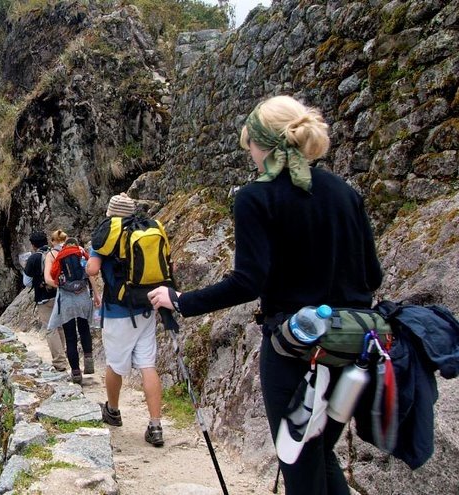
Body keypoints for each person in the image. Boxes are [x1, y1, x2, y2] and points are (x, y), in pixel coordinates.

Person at [148, 95, 383, 493]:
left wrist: (182, 301)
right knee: (318, 453)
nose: (250, 156)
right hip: (350, 347)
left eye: (250, 146)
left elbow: (248, 282)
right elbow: (372, 275)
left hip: (295, 350)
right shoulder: (344, 192)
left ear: (264, 145)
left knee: (300, 461)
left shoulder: (256, 197)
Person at [86, 193, 166, 447]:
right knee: (147, 365)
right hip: (146, 307)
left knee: (115, 365)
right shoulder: (146, 230)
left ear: (110, 213)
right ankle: (155, 425)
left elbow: (92, 269)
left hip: (118, 311)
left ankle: (113, 410)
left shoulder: (107, 235)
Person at [44, 230, 100, 384]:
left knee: (70, 336)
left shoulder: (53, 255)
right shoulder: (80, 251)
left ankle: (75, 372)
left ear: (53, 241)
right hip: (83, 296)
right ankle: (88, 358)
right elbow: (90, 274)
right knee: (84, 328)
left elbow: (48, 278)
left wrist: (62, 285)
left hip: (66, 300)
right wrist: (96, 294)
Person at [22, 231, 69, 372]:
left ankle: (60, 362)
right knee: (60, 327)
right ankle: (63, 355)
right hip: (60, 294)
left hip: (44, 298)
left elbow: (27, 282)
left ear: (33, 245)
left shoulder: (33, 258)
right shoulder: (55, 253)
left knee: (51, 329)